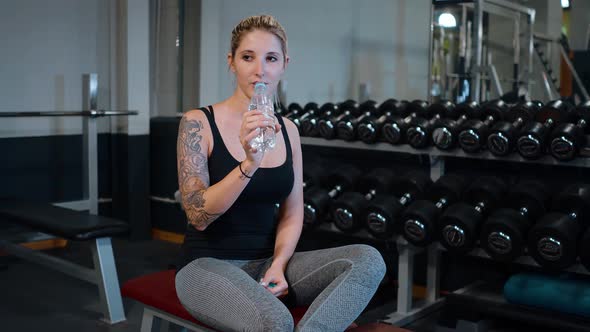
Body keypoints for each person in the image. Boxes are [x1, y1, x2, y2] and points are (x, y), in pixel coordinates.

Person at [175, 14, 386, 332]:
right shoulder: (198, 122)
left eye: (271, 58)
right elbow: (198, 215)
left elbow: (292, 211)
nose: (260, 69)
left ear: (284, 64)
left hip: (266, 264)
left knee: (369, 261)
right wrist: (249, 162)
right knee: (276, 321)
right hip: (206, 265)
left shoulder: (288, 130)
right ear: (231, 62)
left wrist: (279, 264)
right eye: (248, 57)